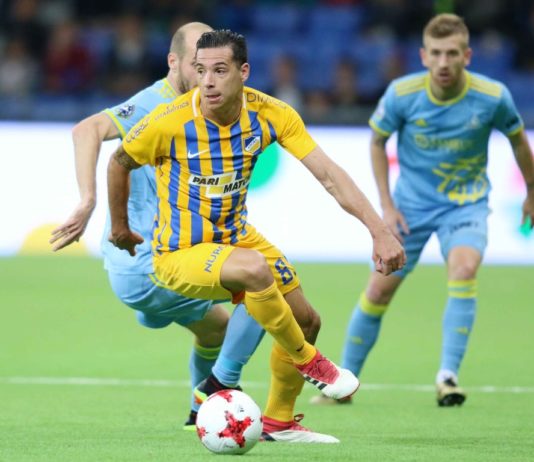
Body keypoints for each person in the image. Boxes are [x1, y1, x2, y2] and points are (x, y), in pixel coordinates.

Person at [107, 29, 406, 440]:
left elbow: (330, 175)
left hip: (235, 237)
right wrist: (119, 227)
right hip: (178, 251)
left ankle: (279, 422)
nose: (208, 81)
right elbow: (119, 161)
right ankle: (304, 362)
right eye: (200, 70)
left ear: (243, 72)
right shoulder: (168, 121)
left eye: (219, 70)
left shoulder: (271, 114)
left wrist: (379, 231)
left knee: (306, 319)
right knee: (255, 270)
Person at [49, 22, 265, 431]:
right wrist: (88, 200)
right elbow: (86, 129)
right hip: (146, 262)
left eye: (212, 65)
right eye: (196, 65)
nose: (205, 74)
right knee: (264, 286)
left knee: (217, 331)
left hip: (159, 259)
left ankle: (198, 412)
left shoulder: (200, 106)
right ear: (173, 62)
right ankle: (224, 394)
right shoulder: (156, 103)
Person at [312, 13, 534, 407]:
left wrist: (531, 190)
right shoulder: (402, 94)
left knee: (464, 269)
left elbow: (518, 140)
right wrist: (387, 206)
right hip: (409, 210)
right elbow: (377, 141)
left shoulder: (493, 96)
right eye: (436, 53)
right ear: (423, 56)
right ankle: (344, 384)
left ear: (467, 56)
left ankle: (447, 376)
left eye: (452, 53)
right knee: (378, 291)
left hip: (465, 207)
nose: (443, 62)